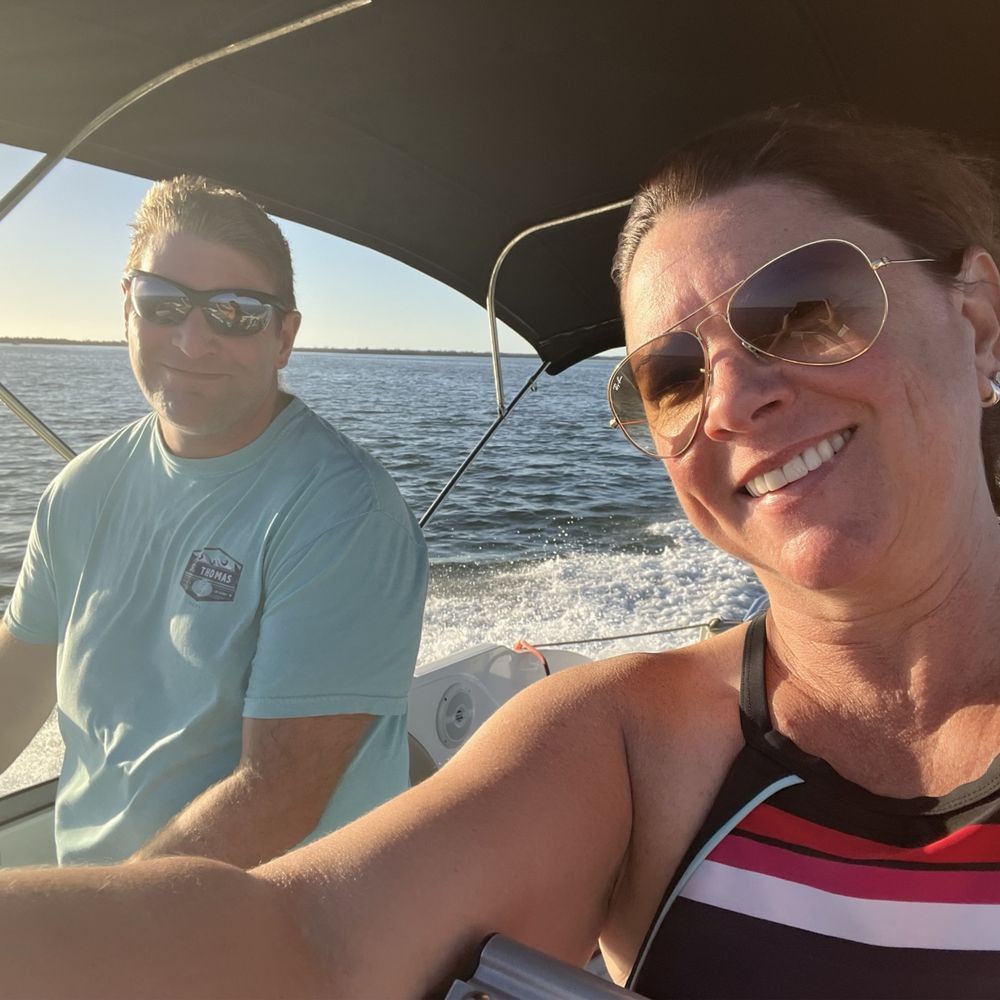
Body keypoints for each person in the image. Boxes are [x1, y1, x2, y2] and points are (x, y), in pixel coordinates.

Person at [3, 107, 1000, 998]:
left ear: (978, 321)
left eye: (805, 307)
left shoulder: (335, 505)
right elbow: (311, 941)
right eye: (670, 375)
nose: (733, 399)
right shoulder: (624, 742)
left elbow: (286, 792)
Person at [0, 176, 428, 869]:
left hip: (271, 915)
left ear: (284, 337)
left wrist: (96, 921)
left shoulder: (344, 513)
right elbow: (11, 695)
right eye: (162, 303)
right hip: (100, 898)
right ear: (127, 308)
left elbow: (277, 796)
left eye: (236, 313)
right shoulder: (78, 494)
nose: (192, 340)